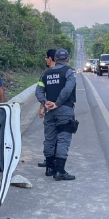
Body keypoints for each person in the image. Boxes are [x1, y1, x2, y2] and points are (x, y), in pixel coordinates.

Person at [35, 49, 77, 181]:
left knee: (49, 139)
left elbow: (38, 91)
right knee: (63, 139)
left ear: (55, 59)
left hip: (49, 113)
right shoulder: (69, 72)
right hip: (64, 110)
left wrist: (45, 102)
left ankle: (49, 168)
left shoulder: (45, 74)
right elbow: (68, 89)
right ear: (68, 59)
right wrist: (57, 103)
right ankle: (60, 171)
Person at [37, 49, 57, 168]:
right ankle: (55, 160)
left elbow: (41, 92)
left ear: (50, 58)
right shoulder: (65, 72)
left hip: (50, 108)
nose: (46, 60)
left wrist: (43, 106)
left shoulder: (45, 75)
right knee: (59, 136)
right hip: (62, 108)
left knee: (50, 136)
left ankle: (50, 160)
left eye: (46, 58)